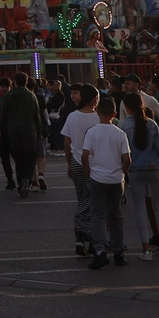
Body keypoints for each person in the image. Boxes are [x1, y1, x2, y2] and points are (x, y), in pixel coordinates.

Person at [80, 96, 132, 269]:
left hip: (97, 177)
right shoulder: (120, 133)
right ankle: (118, 252)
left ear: (97, 112)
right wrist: (122, 173)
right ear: (114, 114)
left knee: (98, 215)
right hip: (116, 179)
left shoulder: (92, 132)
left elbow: (85, 156)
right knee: (116, 215)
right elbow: (127, 159)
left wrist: (88, 175)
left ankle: (100, 250)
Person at [119, 93, 159, 260]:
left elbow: (122, 151)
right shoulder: (152, 124)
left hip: (135, 169)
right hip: (154, 167)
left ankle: (146, 250)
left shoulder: (123, 125)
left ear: (127, 107)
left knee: (140, 209)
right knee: (158, 207)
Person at [61, 84, 101, 255]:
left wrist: (69, 164)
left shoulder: (72, 116)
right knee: (93, 203)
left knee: (82, 199)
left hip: (77, 162)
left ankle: (79, 238)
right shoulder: (99, 118)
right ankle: (91, 237)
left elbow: (67, 144)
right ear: (94, 99)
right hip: (95, 164)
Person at [0, 72, 45, 197]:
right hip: (29, 130)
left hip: (13, 130)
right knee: (30, 157)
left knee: (18, 158)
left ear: (14, 82)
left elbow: (3, 114)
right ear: (26, 81)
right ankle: (27, 179)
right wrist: (39, 131)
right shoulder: (31, 96)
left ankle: (20, 182)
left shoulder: (8, 96)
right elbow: (36, 115)